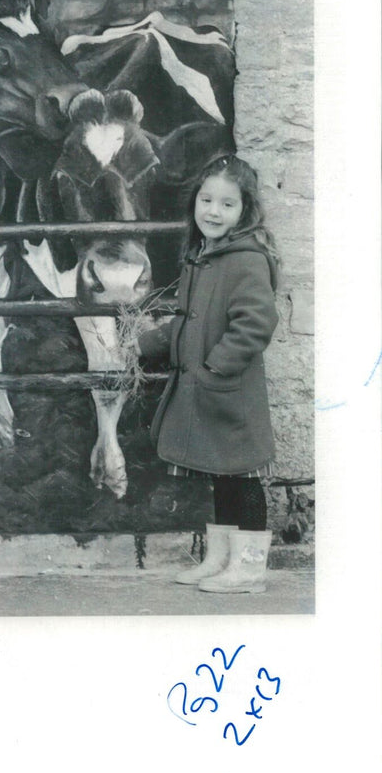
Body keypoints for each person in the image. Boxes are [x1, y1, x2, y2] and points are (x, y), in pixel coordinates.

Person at [138, 155, 280, 593]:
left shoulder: (246, 260)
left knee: (243, 474)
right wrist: (151, 343)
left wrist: (216, 366)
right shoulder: (201, 256)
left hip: (229, 389)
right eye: (206, 200)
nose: (213, 211)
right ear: (194, 203)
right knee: (222, 474)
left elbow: (255, 323)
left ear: (245, 212)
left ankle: (250, 569)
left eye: (227, 204)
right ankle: (221, 560)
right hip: (208, 385)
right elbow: (190, 318)